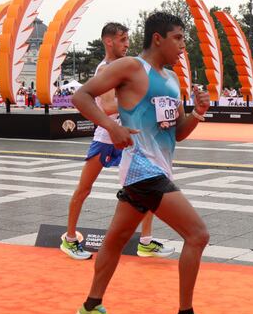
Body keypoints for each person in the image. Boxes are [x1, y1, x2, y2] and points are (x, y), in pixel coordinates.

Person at [72, 12, 211, 314]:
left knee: (116, 239)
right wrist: (111, 126)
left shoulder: (173, 80)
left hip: (155, 170)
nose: (182, 46)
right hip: (142, 169)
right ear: (158, 38)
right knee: (197, 235)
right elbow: (81, 96)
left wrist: (198, 113)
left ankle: (91, 307)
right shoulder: (131, 67)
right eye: (178, 38)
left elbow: (176, 133)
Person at [62, 22, 173, 261]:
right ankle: (69, 239)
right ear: (108, 41)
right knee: (84, 188)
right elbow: (109, 105)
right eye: (122, 40)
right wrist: (137, 103)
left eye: (127, 39)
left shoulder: (126, 67)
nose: (127, 44)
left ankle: (145, 241)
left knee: (149, 184)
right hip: (106, 137)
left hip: (128, 137)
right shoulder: (106, 69)